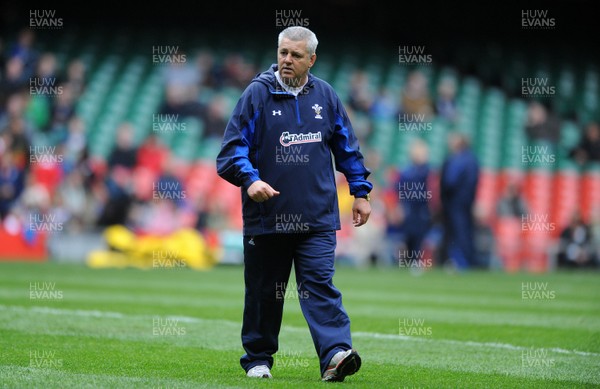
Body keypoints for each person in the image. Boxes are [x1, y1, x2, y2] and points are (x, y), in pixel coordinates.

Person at [216, 26, 371, 382]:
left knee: (319, 285)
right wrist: (251, 179)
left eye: (295, 55)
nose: (286, 60)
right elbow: (231, 150)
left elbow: (347, 147)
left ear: (311, 60)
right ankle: (258, 357)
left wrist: (360, 192)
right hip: (267, 218)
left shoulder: (327, 97)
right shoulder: (256, 95)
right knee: (264, 293)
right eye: (283, 52)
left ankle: (335, 354)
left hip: (317, 217)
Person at [440, 131, 479, 270]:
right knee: (465, 232)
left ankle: (459, 262)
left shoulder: (458, 159)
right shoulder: (472, 159)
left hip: (455, 203)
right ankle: (467, 261)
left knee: (457, 232)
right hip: (467, 202)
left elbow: (449, 181)